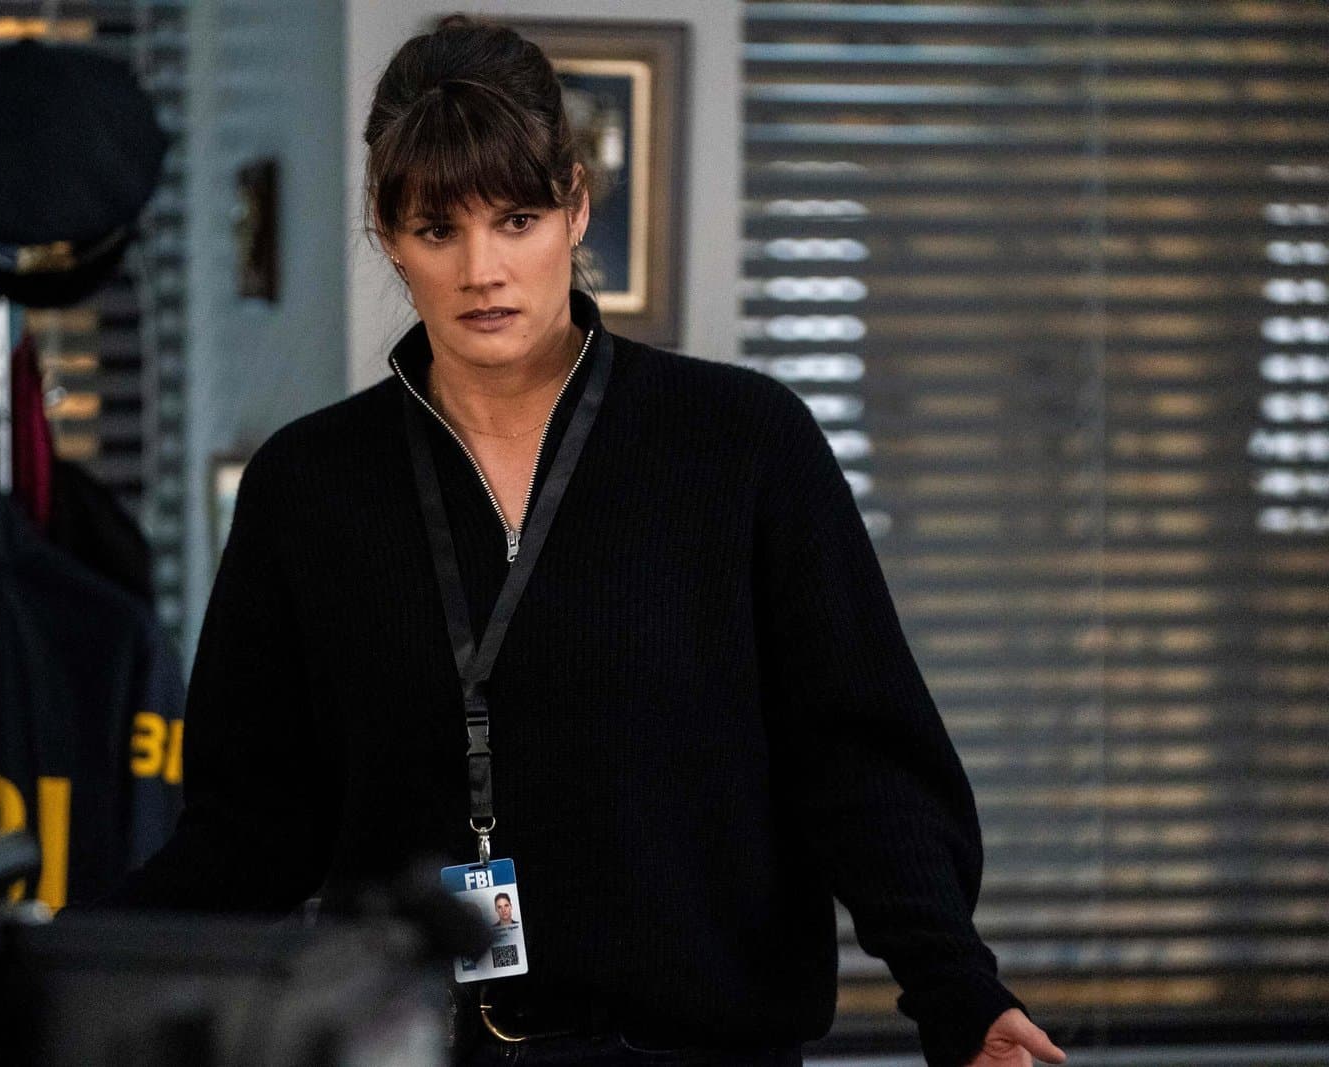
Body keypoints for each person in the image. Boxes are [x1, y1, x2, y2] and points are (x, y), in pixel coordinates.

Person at [114, 15, 1067, 1067]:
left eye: (516, 219)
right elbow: (250, 830)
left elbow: (859, 764)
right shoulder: (308, 486)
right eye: (438, 230)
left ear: (575, 207)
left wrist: (957, 991)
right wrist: (44, 968)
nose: (481, 269)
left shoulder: (742, 445)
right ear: (387, 235)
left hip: (696, 1055)